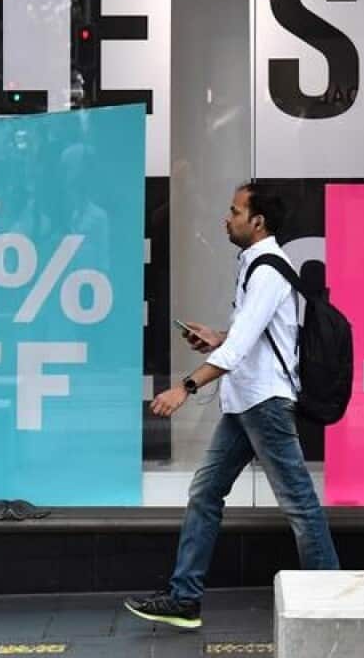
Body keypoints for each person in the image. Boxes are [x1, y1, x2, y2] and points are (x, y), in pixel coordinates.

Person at [123, 184, 339, 629]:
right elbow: (250, 337)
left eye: (235, 210)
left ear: (257, 221)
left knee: (298, 502)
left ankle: (330, 600)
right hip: (246, 402)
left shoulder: (267, 273)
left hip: (264, 403)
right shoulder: (255, 267)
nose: (227, 217)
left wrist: (185, 386)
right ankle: (185, 598)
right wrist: (219, 336)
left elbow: (240, 350)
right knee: (205, 493)